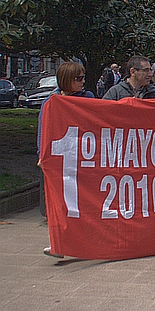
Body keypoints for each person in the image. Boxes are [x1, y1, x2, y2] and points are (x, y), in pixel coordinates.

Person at [39, 61, 96, 258]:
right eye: (78, 79)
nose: (82, 82)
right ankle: (59, 244)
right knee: (59, 203)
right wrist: (42, 155)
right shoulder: (51, 102)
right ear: (66, 80)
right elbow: (43, 130)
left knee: (81, 203)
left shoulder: (88, 98)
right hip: (61, 160)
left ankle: (83, 240)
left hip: (84, 158)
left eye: (83, 78)